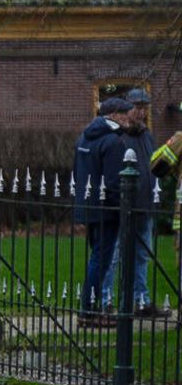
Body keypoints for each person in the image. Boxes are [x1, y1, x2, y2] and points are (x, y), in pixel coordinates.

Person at [73, 97, 131, 320]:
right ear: (115, 115)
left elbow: (77, 173)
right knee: (101, 260)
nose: (129, 117)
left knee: (96, 257)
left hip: (88, 207)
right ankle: (88, 309)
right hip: (107, 210)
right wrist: (123, 209)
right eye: (125, 113)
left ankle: (89, 306)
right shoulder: (113, 142)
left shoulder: (83, 138)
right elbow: (115, 183)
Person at [109, 89, 165, 317]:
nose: (141, 112)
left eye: (144, 107)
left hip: (145, 206)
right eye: (137, 107)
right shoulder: (119, 136)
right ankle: (105, 301)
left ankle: (141, 301)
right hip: (124, 208)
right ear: (127, 108)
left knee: (142, 256)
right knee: (115, 256)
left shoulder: (147, 136)